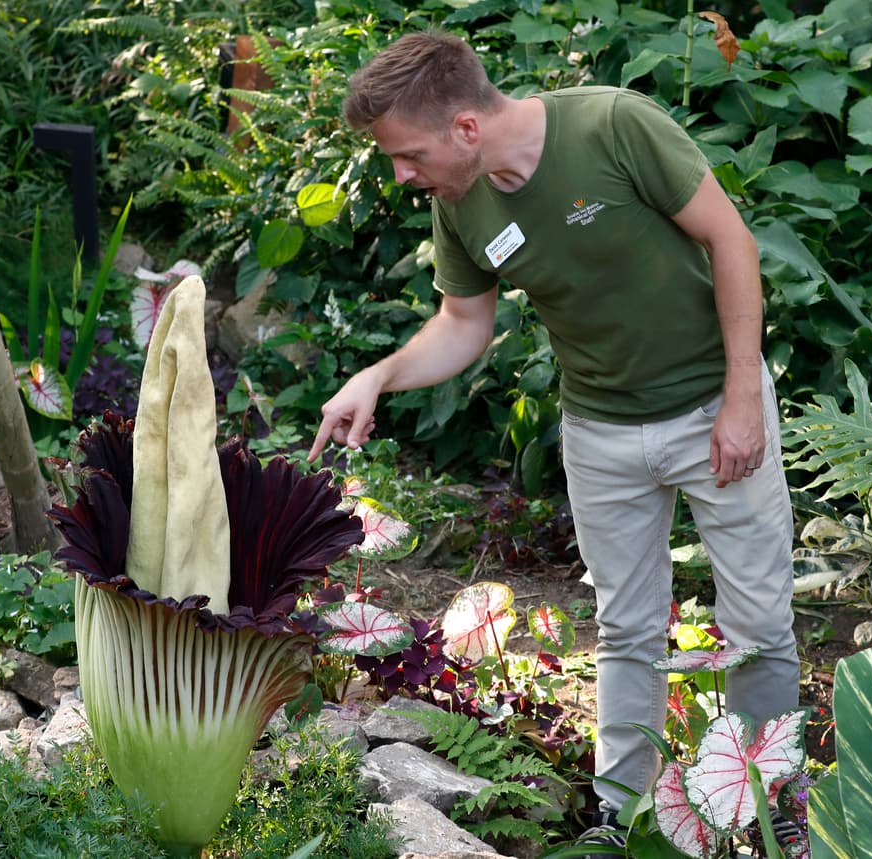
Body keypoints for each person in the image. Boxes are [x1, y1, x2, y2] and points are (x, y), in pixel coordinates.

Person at [307, 29, 800, 853]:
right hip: (600, 428)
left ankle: (772, 797)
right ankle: (622, 815)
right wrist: (378, 377)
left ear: (465, 128)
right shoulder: (459, 200)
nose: (400, 173)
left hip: (715, 400)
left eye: (406, 153)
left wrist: (743, 397)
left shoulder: (613, 126)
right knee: (626, 628)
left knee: (758, 622)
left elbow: (732, 241)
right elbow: (464, 324)